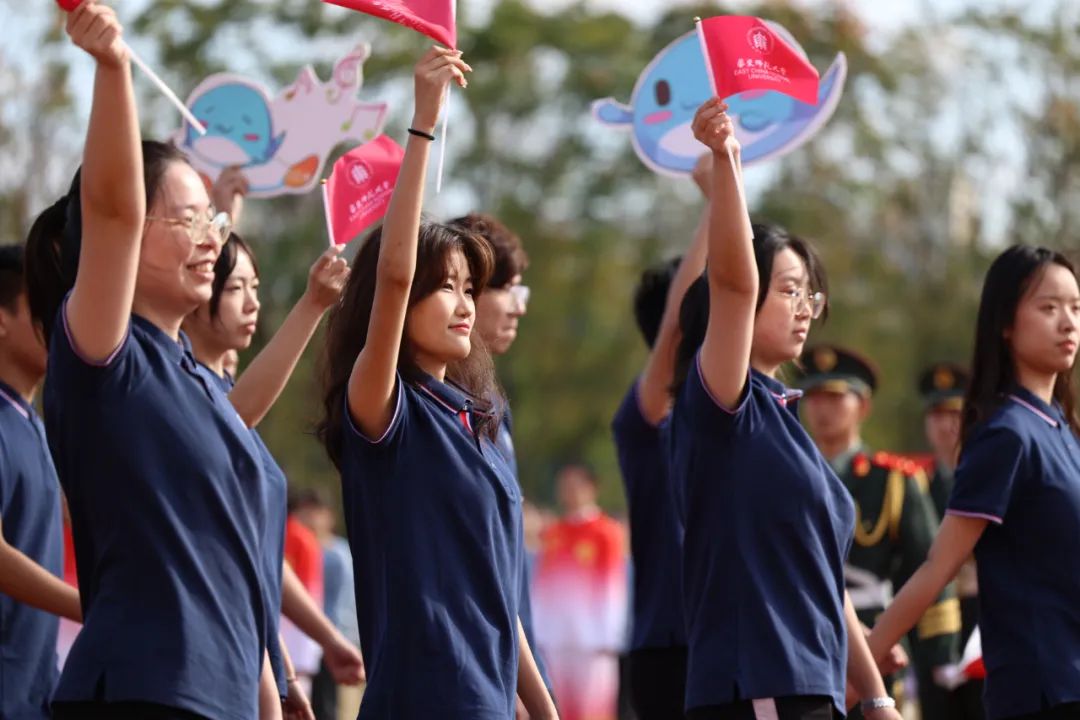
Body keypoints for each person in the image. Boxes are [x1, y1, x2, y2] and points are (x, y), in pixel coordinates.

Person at [25, 4, 270, 717]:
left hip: (219, 697)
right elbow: (113, 212)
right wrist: (112, 68)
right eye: (187, 219)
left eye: (212, 222)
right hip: (144, 691)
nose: (212, 239)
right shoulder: (107, 356)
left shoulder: (197, 376)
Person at [316, 47, 556, 719]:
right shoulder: (384, 408)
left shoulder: (478, 426)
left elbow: (498, 598)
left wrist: (544, 710)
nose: (463, 303)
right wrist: (425, 119)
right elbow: (393, 275)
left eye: (469, 288)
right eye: (444, 286)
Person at [668, 99, 901, 720]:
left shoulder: (785, 420)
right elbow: (734, 284)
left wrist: (875, 695)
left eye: (810, 295)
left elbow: (824, 581)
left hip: (810, 687)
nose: (804, 308)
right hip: (758, 685)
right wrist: (726, 161)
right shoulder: (725, 403)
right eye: (790, 290)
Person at [869, 245, 1080, 720]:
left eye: (1076, 307)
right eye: (1049, 308)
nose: (1068, 323)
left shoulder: (1059, 427)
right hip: (1044, 690)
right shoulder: (1007, 435)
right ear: (1005, 323)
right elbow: (938, 565)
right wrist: (861, 667)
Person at [181, 229, 361, 714]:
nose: (252, 302)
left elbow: (257, 556)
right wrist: (312, 305)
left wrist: (287, 661)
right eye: (235, 288)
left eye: (255, 287)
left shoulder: (223, 391)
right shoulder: (183, 397)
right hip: (204, 663)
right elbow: (230, 421)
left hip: (248, 657)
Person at [797, 345, 960, 719]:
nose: (822, 408)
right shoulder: (792, 476)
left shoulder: (892, 480)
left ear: (863, 406)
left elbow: (929, 566)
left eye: (835, 397)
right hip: (804, 634)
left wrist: (940, 652)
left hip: (875, 636)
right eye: (815, 397)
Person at [611, 155, 712, 720]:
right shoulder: (649, 415)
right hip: (670, 648)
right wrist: (719, 203)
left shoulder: (727, 415)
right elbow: (676, 328)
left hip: (727, 640)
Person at [448, 211, 553, 708]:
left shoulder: (493, 407)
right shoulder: (432, 409)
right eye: (505, 288)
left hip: (511, 666)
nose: (519, 307)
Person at [0, 244, 81, 718]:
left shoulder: (35, 425)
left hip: (36, 692)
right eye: (42, 303)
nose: (57, 319)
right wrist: (90, 607)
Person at [532, 464, 628, 720]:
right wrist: (539, 629)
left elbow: (612, 586)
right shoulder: (553, 533)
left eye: (576, 485)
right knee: (559, 706)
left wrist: (608, 634)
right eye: (565, 486)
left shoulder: (606, 532)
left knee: (594, 706)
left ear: (592, 488)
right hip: (556, 635)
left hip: (592, 638)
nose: (570, 492)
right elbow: (543, 584)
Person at [916, 362, 984, 720]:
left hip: (981, 612)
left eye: (955, 414)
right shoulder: (914, 486)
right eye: (937, 414)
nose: (946, 425)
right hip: (929, 617)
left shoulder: (988, 480)